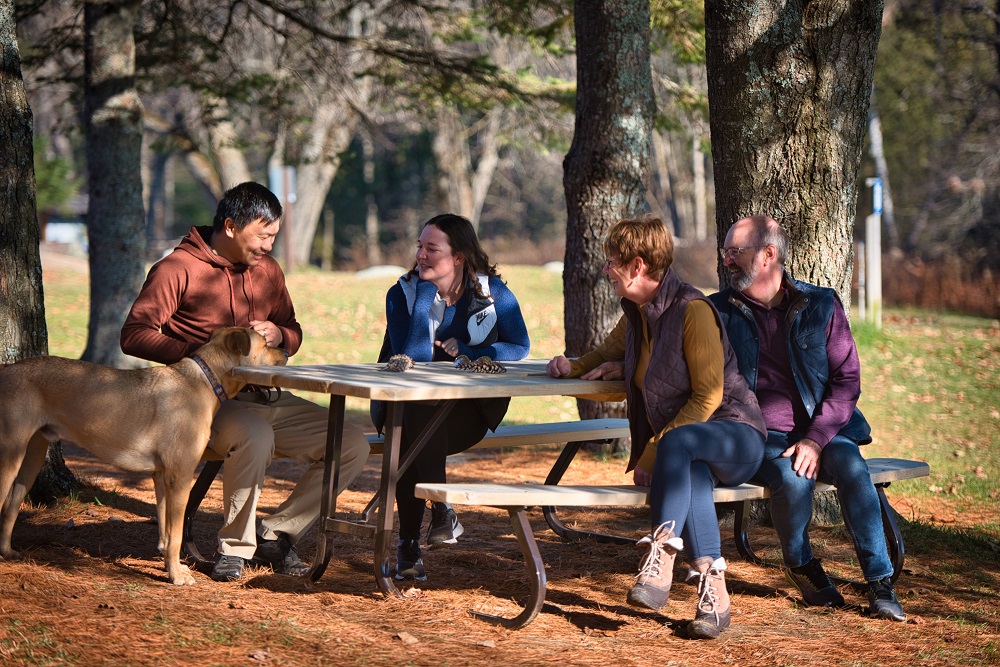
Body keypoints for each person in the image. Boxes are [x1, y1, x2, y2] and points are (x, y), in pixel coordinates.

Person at [121, 181, 370, 582]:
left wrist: (279, 335)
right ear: (233, 226)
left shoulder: (268, 271)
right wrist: (204, 353)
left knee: (351, 443)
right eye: (263, 234)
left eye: (274, 235)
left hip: (271, 396)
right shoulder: (177, 269)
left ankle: (276, 535)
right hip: (207, 403)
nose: (269, 245)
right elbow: (133, 334)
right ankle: (235, 549)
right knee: (254, 435)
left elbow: (293, 330)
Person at [546, 215, 765, 639]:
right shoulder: (638, 313)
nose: (606, 269)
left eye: (613, 261)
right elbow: (605, 354)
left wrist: (653, 453)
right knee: (691, 474)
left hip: (736, 435)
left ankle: (661, 554)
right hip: (689, 449)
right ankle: (714, 600)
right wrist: (571, 366)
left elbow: (708, 397)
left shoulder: (692, 310)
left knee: (680, 447)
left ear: (638, 265)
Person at [708, 215, 906, 622]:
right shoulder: (716, 312)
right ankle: (801, 564)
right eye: (725, 252)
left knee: (852, 466)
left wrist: (816, 438)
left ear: (768, 255)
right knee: (792, 479)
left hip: (824, 431)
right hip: (755, 434)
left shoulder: (820, 304)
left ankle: (880, 582)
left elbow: (847, 379)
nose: (726, 261)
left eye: (734, 252)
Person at [372, 213, 530, 582]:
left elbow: (519, 345)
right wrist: (427, 295)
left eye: (432, 249)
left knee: (412, 436)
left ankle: (414, 540)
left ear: (458, 256)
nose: (421, 256)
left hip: (470, 413)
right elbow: (414, 360)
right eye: (419, 247)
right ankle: (437, 512)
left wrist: (473, 354)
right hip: (404, 409)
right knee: (414, 418)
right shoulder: (403, 294)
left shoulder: (492, 295)